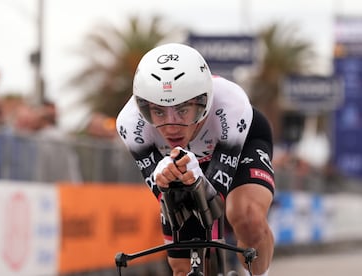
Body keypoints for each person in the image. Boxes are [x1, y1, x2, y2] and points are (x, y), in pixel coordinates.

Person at [116, 43, 275, 276]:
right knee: (182, 268)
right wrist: (165, 180)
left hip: (241, 144)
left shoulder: (231, 104)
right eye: (158, 111)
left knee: (245, 216)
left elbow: (215, 201)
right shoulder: (131, 124)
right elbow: (167, 199)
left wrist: (197, 181)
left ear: (204, 101)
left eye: (182, 110)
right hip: (183, 164)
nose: (171, 126)